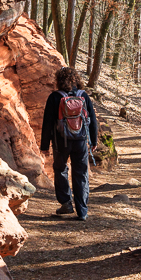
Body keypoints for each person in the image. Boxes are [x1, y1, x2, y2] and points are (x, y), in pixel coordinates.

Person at [40, 66, 99, 221]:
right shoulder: (83, 96)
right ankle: (82, 210)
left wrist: (45, 146)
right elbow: (92, 120)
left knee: (60, 170)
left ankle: (66, 203)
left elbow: (47, 123)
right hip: (80, 141)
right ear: (76, 79)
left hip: (61, 142)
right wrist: (93, 140)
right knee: (81, 173)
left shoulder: (54, 97)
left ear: (59, 80)